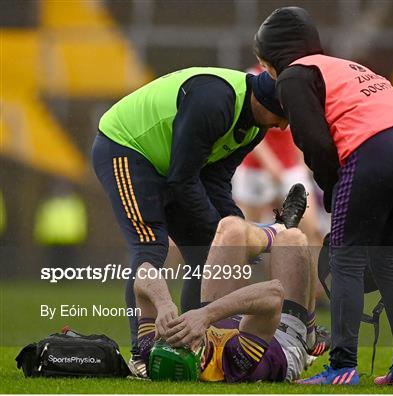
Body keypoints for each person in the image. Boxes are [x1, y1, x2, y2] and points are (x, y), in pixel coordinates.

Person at [253, 7, 393, 385]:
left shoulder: (292, 76)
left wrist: (334, 189)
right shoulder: (341, 65)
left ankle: (342, 366)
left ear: (273, 57)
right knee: (387, 263)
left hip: (376, 149)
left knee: (346, 260)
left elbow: (315, 143)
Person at [91, 67, 287, 371]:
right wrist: (227, 232)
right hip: (126, 148)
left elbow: (215, 181)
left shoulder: (254, 126)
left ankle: (193, 344)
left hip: (171, 167)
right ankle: (141, 353)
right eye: (283, 116)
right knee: (150, 245)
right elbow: (183, 180)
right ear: (265, 103)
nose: (284, 127)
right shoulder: (215, 102)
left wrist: (233, 230)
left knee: (207, 251)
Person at [133, 185, 329, 382]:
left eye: (171, 341)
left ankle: (276, 227)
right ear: (199, 359)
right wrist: (204, 315)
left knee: (230, 227)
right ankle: (309, 335)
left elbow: (144, 272)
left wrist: (164, 304)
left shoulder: (152, 350)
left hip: (221, 322)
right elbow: (274, 294)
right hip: (282, 338)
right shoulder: (234, 361)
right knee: (291, 240)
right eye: (184, 343)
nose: (177, 338)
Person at [233, 65, 324, 246]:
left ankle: (315, 274)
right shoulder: (253, 77)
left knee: (310, 228)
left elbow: (301, 121)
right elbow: (249, 125)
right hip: (255, 169)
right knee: (248, 235)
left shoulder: (298, 80)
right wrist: (269, 163)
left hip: (289, 167)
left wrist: (302, 159)